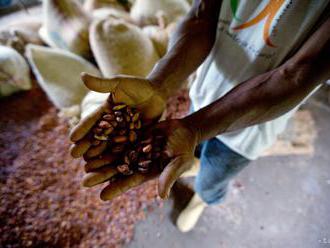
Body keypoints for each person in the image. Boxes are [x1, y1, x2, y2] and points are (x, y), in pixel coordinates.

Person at [70, 0, 330, 233]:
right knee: (191, 150)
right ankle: (194, 160)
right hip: (205, 91)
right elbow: (200, 17)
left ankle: (205, 198)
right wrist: (160, 84)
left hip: (250, 129)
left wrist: (194, 128)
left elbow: (296, 76)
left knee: (211, 180)